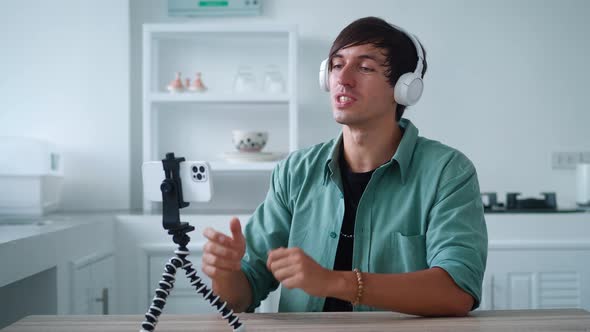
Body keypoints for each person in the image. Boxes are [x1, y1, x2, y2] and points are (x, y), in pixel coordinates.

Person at [201, 16, 487, 316]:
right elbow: (238, 297)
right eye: (337, 65)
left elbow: (457, 291)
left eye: (365, 68)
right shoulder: (295, 171)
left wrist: (333, 282)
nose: (343, 78)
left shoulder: (448, 172)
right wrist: (226, 272)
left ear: (404, 88)